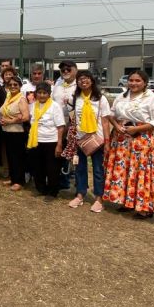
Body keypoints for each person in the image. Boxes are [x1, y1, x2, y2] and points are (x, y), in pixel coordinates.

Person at [103, 70, 154, 219]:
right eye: (131, 80)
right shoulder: (122, 96)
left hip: (142, 140)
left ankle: (144, 207)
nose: (133, 83)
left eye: (137, 81)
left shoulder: (152, 98)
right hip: (122, 140)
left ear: (145, 82)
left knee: (140, 172)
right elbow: (111, 114)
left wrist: (137, 129)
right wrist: (116, 125)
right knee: (125, 171)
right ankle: (126, 201)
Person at [67, 71, 111, 213]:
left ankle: (99, 198)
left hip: (96, 138)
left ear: (92, 81)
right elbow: (74, 118)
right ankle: (80, 194)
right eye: (80, 79)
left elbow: (105, 122)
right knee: (80, 168)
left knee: (98, 170)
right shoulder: (76, 97)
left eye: (86, 79)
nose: (83, 81)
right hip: (80, 139)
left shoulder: (100, 98)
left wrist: (107, 141)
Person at [27, 83, 65, 202]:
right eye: (39, 92)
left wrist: (59, 144)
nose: (42, 95)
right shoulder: (33, 106)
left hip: (51, 141)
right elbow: (31, 122)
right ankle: (42, 189)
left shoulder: (55, 106)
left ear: (49, 94)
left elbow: (60, 126)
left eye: (45, 93)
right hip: (36, 141)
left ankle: (52, 192)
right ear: (36, 94)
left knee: (52, 168)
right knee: (38, 167)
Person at [0, 75, 30, 191]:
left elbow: (26, 117)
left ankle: (19, 181)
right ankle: (13, 178)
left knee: (18, 157)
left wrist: (10, 121)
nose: (12, 86)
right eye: (10, 84)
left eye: (15, 85)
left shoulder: (21, 99)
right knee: (10, 157)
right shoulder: (8, 96)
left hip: (17, 132)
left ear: (20, 86)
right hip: (7, 131)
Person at [52, 60, 78, 190]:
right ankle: (62, 180)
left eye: (68, 69)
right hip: (58, 124)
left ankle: (75, 182)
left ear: (75, 70)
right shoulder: (58, 83)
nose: (66, 72)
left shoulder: (79, 84)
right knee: (61, 152)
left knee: (74, 154)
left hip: (73, 124)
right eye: (63, 70)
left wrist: (71, 123)